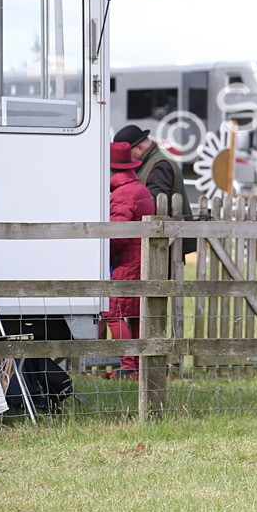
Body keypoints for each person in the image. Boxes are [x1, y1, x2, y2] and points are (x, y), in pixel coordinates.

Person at [107, 141, 156, 379]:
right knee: (135, 313)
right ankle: (136, 366)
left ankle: (128, 366)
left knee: (112, 311)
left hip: (127, 261)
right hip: (141, 259)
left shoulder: (123, 194)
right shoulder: (137, 188)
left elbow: (117, 236)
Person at [113, 124, 195, 257]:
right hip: (162, 242)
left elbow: (155, 208)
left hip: (162, 245)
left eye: (126, 153)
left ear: (139, 148)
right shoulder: (154, 161)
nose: (125, 159)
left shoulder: (159, 165)